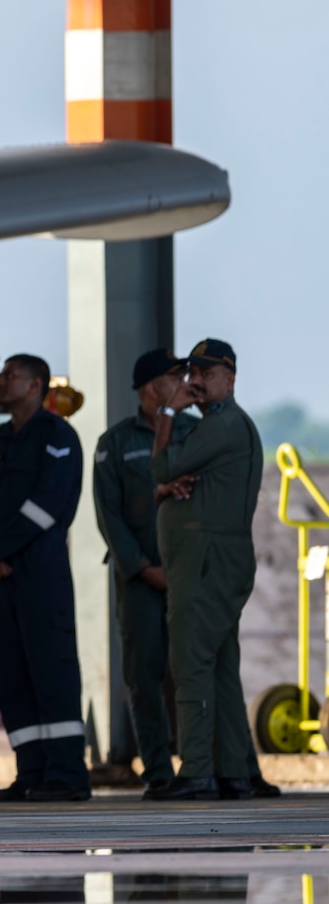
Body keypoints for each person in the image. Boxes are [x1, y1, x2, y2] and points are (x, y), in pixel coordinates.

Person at [147, 339, 278, 801]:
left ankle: (198, 771)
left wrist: (168, 411)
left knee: (191, 662)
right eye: (193, 374)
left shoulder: (221, 426)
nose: (197, 382)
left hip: (206, 561)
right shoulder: (221, 427)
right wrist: (167, 489)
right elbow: (170, 477)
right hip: (214, 559)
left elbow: (162, 465)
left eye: (207, 374)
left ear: (231, 379)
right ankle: (234, 771)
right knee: (219, 666)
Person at [0, 353, 90, 804]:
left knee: (51, 671)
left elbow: (46, 506)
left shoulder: (58, 437)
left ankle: (67, 775)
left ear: (36, 385)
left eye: (10, 375)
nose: (1, 381)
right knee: (12, 676)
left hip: (41, 575)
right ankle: (31, 773)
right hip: (0, 580)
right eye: (1, 375)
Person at [90, 348, 193, 794]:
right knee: (144, 674)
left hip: (189, 578)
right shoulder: (114, 443)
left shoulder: (195, 433)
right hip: (139, 581)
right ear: (152, 388)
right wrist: (142, 568)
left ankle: (200, 765)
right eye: (175, 377)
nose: (185, 384)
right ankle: (158, 770)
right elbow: (108, 516)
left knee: (193, 670)